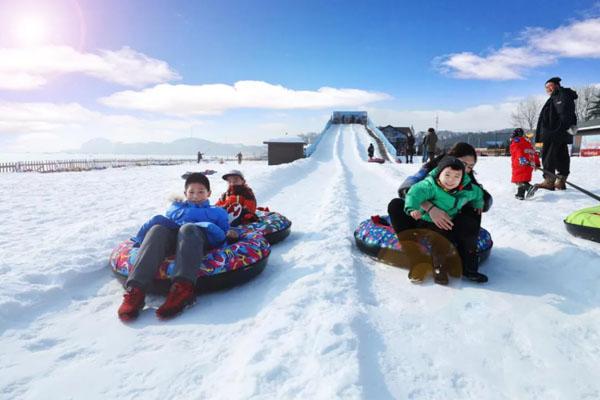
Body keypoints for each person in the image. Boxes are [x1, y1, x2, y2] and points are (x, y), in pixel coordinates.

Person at [118, 173, 229, 321]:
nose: (196, 195)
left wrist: (228, 234)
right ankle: (136, 290)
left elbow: (222, 234)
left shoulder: (217, 212)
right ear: (185, 193)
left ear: (209, 193)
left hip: (197, 240)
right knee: (157, 228)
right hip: (176, 239)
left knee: (188, 228)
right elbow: (168, 224)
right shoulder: (177, 209)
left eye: (201, 191)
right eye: (191, 192)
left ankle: (182, 289)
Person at [388, 142, 491, 283]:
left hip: (448, 221)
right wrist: (430, 208)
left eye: (470, 167)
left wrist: (480, 202)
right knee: (396, 205)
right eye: (463, 163)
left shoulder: (464, 177)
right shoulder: (432, 169)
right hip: (422, 215)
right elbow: (407, 189)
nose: (466, 169)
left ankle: (467, 263)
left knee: (472, 210)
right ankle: (416, 259)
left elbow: (482, 196)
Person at [535, 77, 578, 191]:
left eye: (550, 86)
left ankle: (549, 181)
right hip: (558, 133)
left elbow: (565, 114)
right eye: (546, 87)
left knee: (548, 156)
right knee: (561, 156)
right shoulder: (558, 96)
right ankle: (561, 181)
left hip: (554, 133)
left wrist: (558, 131)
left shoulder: (560, 96)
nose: (548, 89)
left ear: (556, 85)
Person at [510, 128, 540, 200]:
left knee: (519, 180)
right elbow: (534, 153)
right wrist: (537, 163)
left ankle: (530, 188)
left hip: (520, 164)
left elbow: (518, 151)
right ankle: (520, 195)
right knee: (524, 179)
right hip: (529, 165)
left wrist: (521, 159)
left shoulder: (515, 143)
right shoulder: (528, 143)